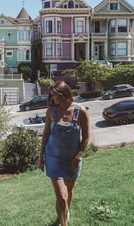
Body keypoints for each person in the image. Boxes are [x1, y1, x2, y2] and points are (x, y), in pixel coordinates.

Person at [38, 81, 90, 226]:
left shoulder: (81, 111)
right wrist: (40, 157)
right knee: (61, 195)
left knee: (67, 193)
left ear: (65, 94)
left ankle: (62, 216)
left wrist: (77, 157)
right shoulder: (51, 111)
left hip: (72, 159)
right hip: (53, 157)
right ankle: (64, 223)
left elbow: (86, 137)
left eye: (55, 96)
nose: (53, 99)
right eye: (52, 96)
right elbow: (46, 133)